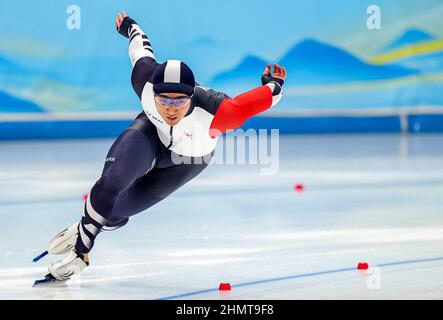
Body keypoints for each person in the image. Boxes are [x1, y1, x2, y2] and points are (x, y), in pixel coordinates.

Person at [44, 11, 287, 281]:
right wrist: (129, 26)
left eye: (180, 101)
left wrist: (274, 84)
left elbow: (262, 99)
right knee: (110, 183)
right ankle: (82, 250)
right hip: (151, 132)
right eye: (164, 100)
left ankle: (86, 224)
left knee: (115, 212)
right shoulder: (143, 79)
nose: (171, 109)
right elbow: (140, 45)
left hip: (188, 160)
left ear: (192, 96)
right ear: (153, 92)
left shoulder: (219, 113)